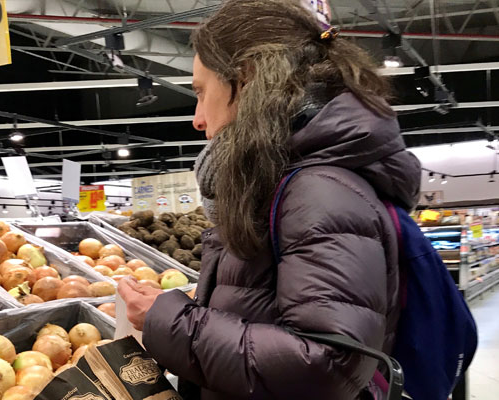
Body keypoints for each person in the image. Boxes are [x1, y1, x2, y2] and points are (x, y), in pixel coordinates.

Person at [117, 0, 421, 399]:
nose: (197, 118)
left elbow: (326, 362)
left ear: (247, 79)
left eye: (201, 92)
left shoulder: (317, 193)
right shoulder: (279, 184)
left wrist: (170, 321)